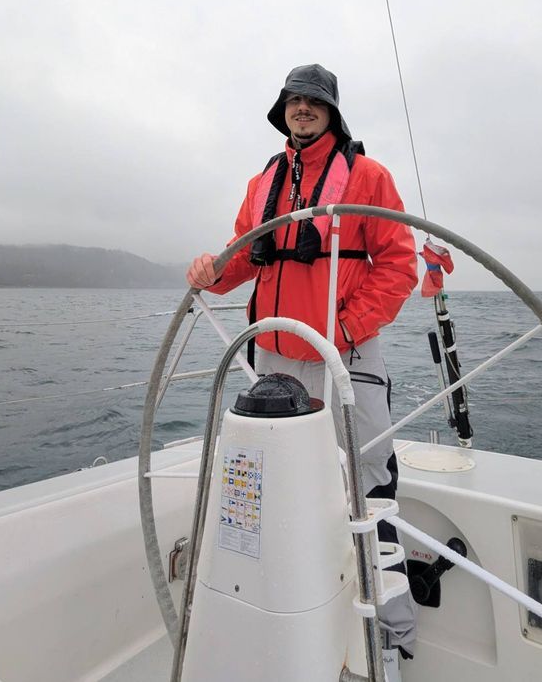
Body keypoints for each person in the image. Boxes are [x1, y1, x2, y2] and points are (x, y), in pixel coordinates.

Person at [187, 63, 418, 660]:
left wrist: (346, 327)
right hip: (274, 356)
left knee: (368, 474)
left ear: (333, 112)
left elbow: (398, 264)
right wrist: (212, 273)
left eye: (314, 101)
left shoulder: (369, 177)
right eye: (294, 101)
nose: (303, 109)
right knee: (277, 474)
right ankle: (286, 592)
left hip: (345, 350)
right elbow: (243, 257)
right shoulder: (262, 183)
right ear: (282, 111)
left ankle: (389, 617)